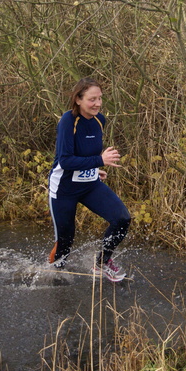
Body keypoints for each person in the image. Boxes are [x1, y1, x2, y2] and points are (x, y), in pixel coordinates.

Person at [47, 77, 131, 282]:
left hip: (89, 184)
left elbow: (85, 155)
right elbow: (65, 160)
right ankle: (54, 274)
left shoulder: (99, 120)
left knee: (122, 219)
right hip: (64, 189)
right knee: (65, 241)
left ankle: (102, 263)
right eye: (92, 99)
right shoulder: (68, 121)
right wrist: (100, 160)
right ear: (78, 99)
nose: (98, 104)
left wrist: (94, 169)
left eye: (100, 98)